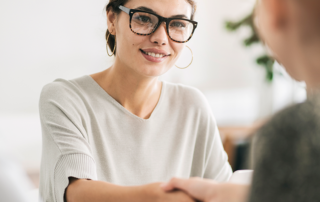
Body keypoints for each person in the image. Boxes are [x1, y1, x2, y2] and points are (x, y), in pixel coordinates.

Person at [39, 0, 232, 201]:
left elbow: (224, 192)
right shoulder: (65, 98)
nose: (160, 38)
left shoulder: (192, 105)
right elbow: (77, 193)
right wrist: (158, 197)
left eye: (177, 24)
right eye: (143, 18)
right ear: (112, 19)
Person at [161, 0, 320, 201]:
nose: (160, 37)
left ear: (275, 8)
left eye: (178, 23)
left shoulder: (294, 133)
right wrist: (222, 193)